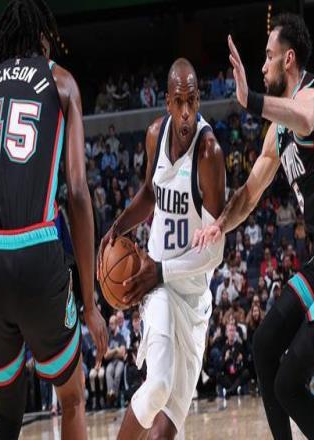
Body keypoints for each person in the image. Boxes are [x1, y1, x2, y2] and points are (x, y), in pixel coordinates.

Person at [194, 13, 314, 439]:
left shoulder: (313, 99)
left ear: (289, 60)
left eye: (268, 57)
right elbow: (249, 193)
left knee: (288, 385)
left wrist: (251, 99)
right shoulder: (278, 131)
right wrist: (220, 224)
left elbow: (305, 118)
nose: (262, 66)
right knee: (263, 345)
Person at [0, 1, 108, 438]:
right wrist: (90, 304)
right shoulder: (61, 82)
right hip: (38, 252)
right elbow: (78, 193)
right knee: (72, 397)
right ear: (42, 38)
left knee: (9, 414)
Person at [98, 58, 225, 439]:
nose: (185, 112)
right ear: (167, 102)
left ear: (198, 100)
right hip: (158, 288)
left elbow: (215, 253)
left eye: (191, 101)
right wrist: (118, 226)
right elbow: (151, 193)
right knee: (157, 385)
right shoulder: (156, 134)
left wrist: (162, 270)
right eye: (178, 102)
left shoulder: (209, 153)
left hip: (193, 297)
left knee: (165, 430)